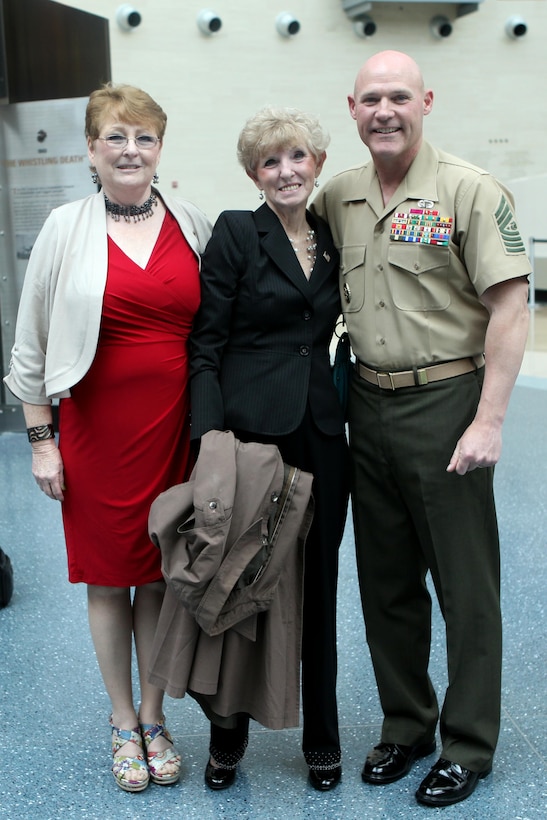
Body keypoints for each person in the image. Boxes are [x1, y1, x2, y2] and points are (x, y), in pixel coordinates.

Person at [312, 51, 530, 808]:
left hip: (446, 402)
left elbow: (511, 306)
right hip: (365, 406)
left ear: (425, 101)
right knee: (386, 584)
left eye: (398, 97)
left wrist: (489, 420)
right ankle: (405, 725)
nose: (385, 111)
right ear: (351, 108)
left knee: (465, 587)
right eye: (371, 98)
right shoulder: (337, 197)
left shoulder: (468, 190)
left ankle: (466, 744)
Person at [3, 83, 211, 792]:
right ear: (91, 149)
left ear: (160, 148)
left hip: (176, 435)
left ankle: (154, 717)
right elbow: (29, 347)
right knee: (107, 579)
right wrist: (42, 440)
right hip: (97, 436)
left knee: (159, 577)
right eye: (116, 137)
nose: (130, 150)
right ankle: (121, 721)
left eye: (144, 137)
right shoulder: (66, 227)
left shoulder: (190, 221)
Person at [150, 106, 349, 792]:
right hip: (249, 437)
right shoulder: (238, 232)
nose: (286, 171)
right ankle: (227, 734)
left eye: (297, 157)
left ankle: (322, 735)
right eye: (270, 161)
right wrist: (210, 439)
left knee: (318, 587)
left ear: (317, 164)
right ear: (253, 174)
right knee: (237, 582)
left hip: (321, 434)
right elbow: (204, 343)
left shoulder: (332, 237)